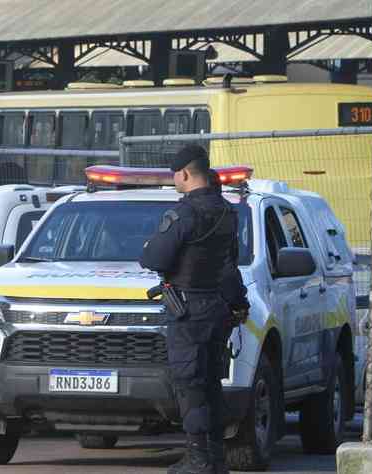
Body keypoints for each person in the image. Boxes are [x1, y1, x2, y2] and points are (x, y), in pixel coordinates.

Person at [139, 144, 249, 474]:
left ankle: (199, 460)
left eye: (176, 175)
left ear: (185, 174)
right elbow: (230, 266)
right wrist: (238, 304)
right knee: (210, 383)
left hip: (188, 312)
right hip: (217, 309)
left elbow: (153, 259)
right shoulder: (228, 212)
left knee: (189, 384)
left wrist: (149, 246)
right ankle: (215, 459)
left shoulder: (184, 214)